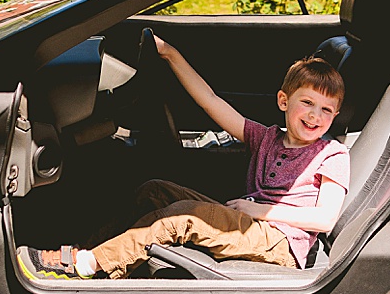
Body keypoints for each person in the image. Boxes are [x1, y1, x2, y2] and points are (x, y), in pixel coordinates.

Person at [18, 39, 350, 280]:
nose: (315, 116)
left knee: (182, 218)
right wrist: (170, 54)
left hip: (282, 242)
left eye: (326, 110)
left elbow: (325, 220)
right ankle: (83, 250)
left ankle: (87, 267)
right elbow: (209, 101)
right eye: (307, 103)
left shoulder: (331, 154)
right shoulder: (266, 138)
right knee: (156, 190)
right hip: (252, 222)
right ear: (283, 101)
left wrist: (257, 210)